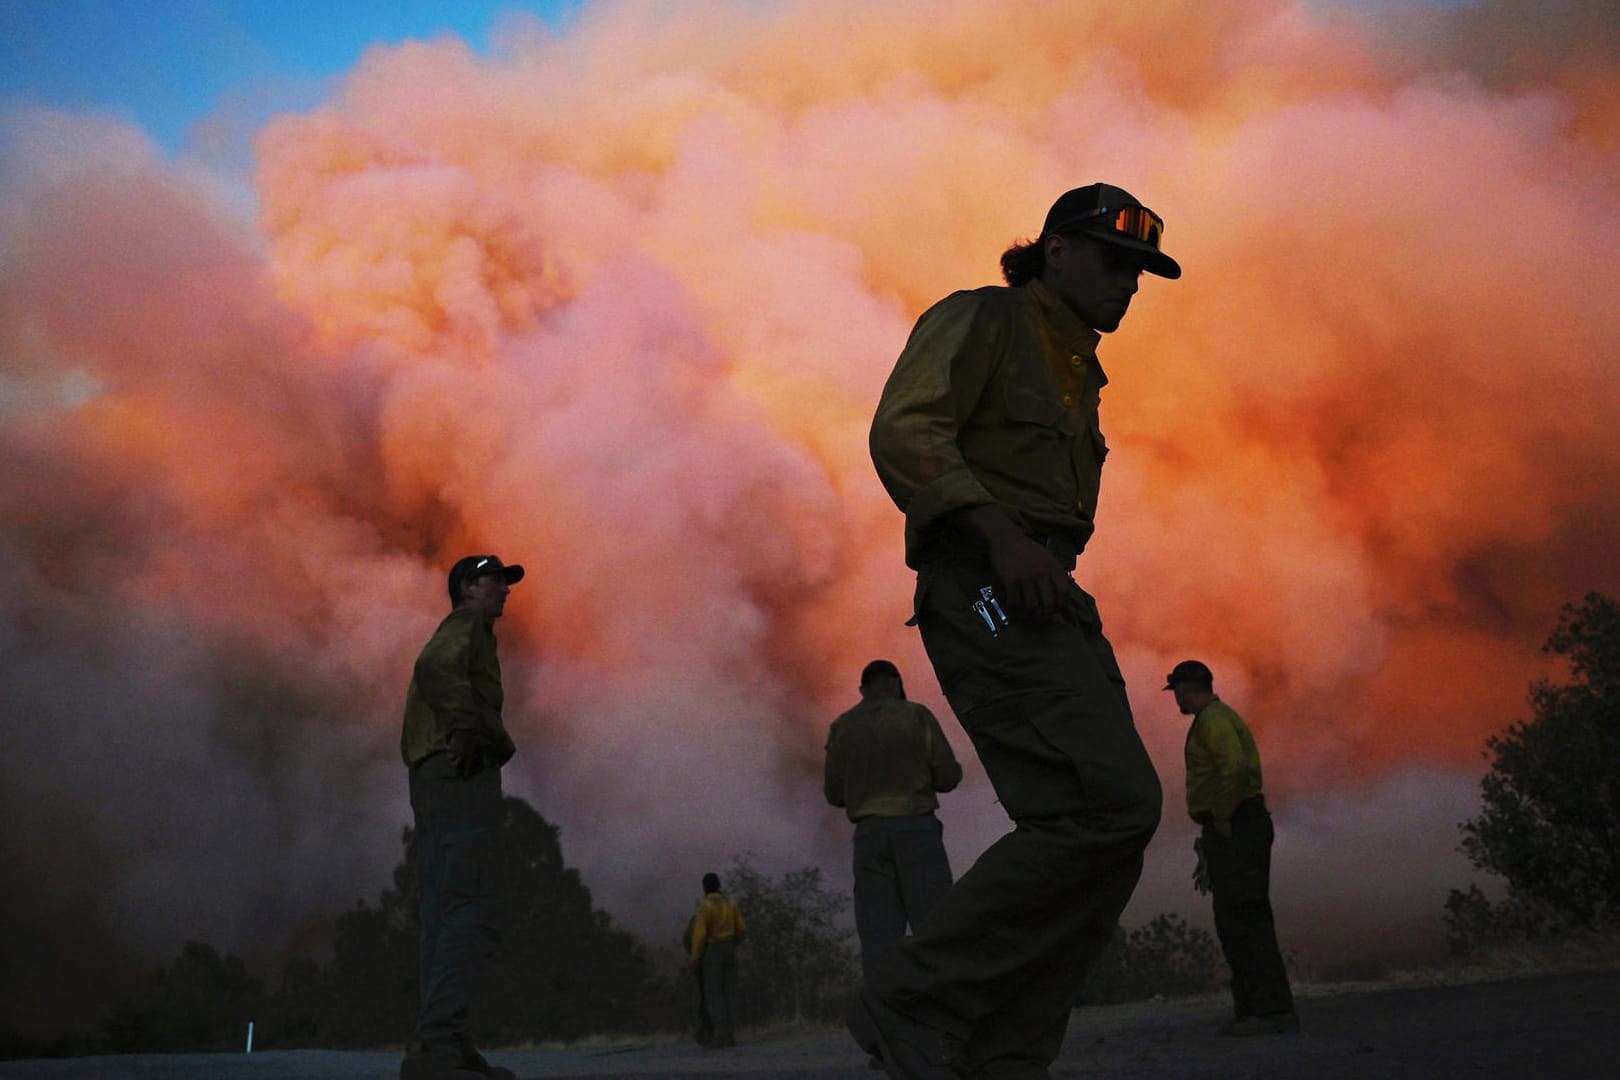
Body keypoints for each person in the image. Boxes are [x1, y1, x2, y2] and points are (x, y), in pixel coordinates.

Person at [858, 183, 1179, 1080]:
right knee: (1110, 807)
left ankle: (1004, 1051)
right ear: (1058, 251)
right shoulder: (987, 319)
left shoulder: (1077, 361)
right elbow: (905, 430)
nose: (1131, 284)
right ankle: (914, 998)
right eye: (1117, 262)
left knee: (1107, 825)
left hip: (1040, 592)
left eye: (1142, 271)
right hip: (986, 588)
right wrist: (1000, 537)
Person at [399, 554, 525, 1080]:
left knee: (442, 916)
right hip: (458, 777)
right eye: (497, 581)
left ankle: (439, 1049)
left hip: (432, 780)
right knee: (471, 909)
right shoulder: (468, 622)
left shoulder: (469, 626)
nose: (506, 591)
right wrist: (468, 732)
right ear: (469, 586)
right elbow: (433, 668)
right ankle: (443, 1047)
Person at [1164, 659, 1298, 1036]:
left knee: (1244, 917)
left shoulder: (1213, 720)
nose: (1175, 698)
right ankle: (1255, 1010)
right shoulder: (1215, 718)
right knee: (1236, 918)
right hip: (1236, 825)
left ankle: (1269, 1013)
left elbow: (1233, 769)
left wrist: (1221, 817)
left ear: (1188, 688)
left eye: (1176, 690)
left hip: (1238, 825)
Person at [824, 659, 963, 980]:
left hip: (870, 835)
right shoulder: (917, 716)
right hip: (917, 831)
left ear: (863, 690)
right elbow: (948, 776)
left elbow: (833, 792)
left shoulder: (842, 727)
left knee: (879, 936)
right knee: (935, 926)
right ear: (896, 682)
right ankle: (945, 1010)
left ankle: (889, 1017)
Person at [687, 872, 748, 1049]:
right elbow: (742, 930)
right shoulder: (731, 903)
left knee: (714, 993)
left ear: (704, 887)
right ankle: (730, 1034)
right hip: (730, 949)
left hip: (713, 950)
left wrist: (696, 957)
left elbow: (699, 935)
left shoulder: (705, 905)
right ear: (719, 885)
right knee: (729, 991)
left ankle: (721, 1035)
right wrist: (733, 944)